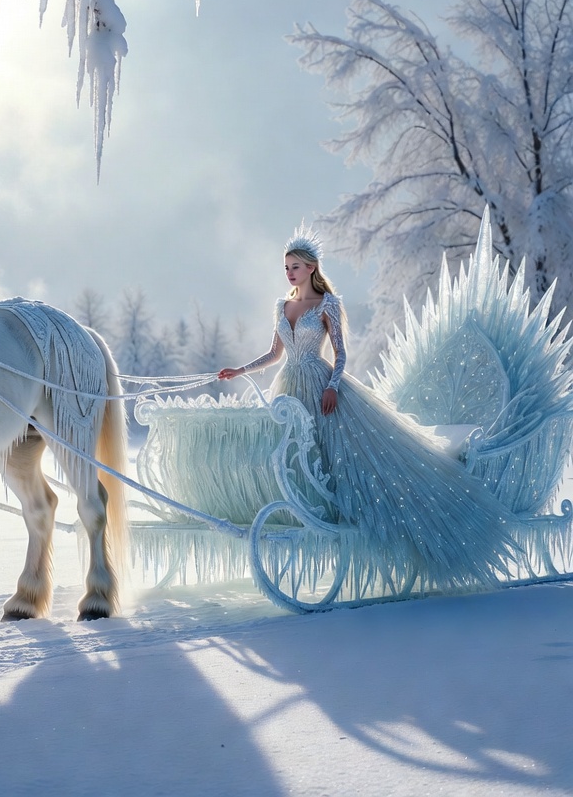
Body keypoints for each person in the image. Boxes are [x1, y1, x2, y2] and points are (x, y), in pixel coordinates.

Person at [218, 226, 515, 589]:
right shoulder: (283, 306)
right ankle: (308, 519)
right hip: (289, 384)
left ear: (312, 268)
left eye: (296, 266)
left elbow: (341, 354)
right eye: (286, 267)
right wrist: (240, 370)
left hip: (320, 382)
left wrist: (331, 387)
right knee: (295, 453)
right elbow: (274, 353)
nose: (290, 272)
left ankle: (370, 528)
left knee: (344, 454)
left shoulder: (327, 304)